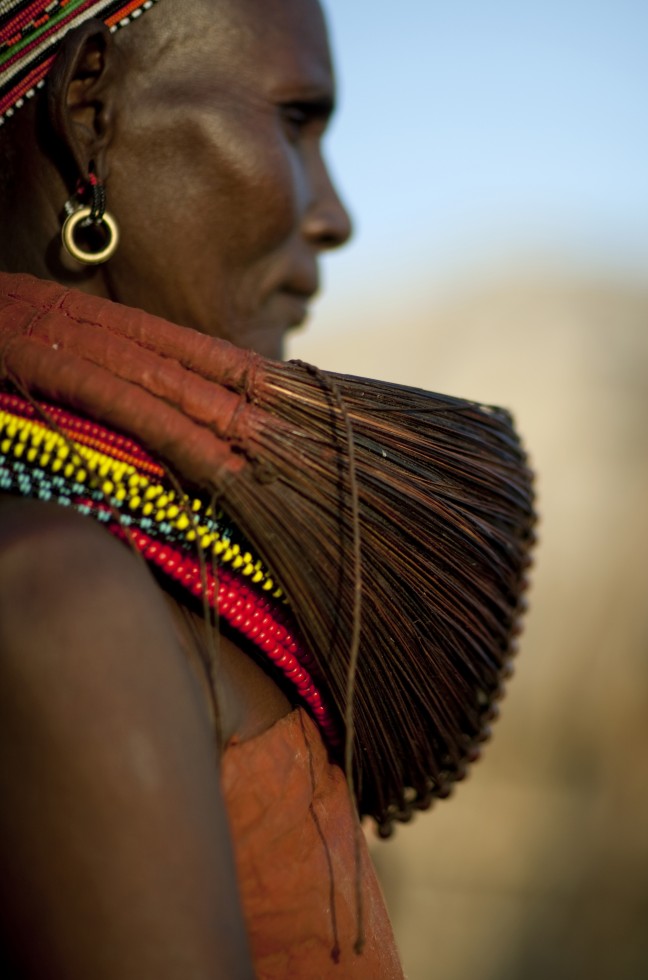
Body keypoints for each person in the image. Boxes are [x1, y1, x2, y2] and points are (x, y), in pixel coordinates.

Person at [0, 1, 536, 977]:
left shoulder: (120, 563)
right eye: (295, 119)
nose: (333, 215)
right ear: (90, 114)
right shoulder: (58, 597)